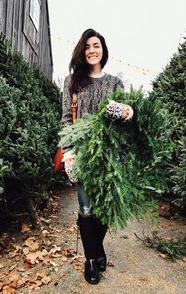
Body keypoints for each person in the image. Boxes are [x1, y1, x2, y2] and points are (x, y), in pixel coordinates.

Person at [61, 28, 132, 285]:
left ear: (103, 50)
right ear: (82, 50)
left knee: (103, 209)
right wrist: (68, 153)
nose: (92, 50)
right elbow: (66, 119)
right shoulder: (72, 83)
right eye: (88, 46)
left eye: (96, 45)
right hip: (81, 154)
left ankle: (97, 249)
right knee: (86, 207)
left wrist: (126, 111)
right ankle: (91, 261)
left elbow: (127, 122)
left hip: (110, 157)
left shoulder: (115, 83)